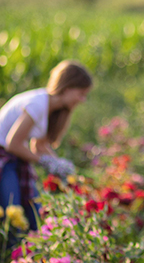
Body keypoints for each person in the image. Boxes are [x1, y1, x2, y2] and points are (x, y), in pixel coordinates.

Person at [0, 59, 92, 239]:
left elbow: (39, 145)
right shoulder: (37, 104)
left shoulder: (50, 107)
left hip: (15, 158)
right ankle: (11, 258)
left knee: (36, 211)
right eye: (80, 94)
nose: (82, 100)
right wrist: (45, 161)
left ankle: (33, 253)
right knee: (13, 210)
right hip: (4, 158)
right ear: (67, 87)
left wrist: (59, 165)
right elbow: (13, 143)